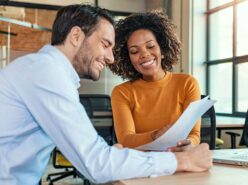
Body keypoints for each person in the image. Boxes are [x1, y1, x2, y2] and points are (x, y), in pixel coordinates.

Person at [0, 4, 212, 185]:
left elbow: (94, 156)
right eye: (105, 44)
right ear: (76, 36)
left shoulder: (46, 71)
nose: (111, 58)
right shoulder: (45, 73)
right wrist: (182, 162)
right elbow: (96, 163)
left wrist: (115, 156)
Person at [109, 11, 201, 151]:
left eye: (150, 46)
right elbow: (126, 140)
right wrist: (156, 135)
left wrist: (188, 144)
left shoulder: (187, 83)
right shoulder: (121, 92)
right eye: (134, 51)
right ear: (128, 59)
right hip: (141, 164)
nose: (144, 54)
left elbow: (194, 135)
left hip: (179, 159)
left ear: (162, 49)